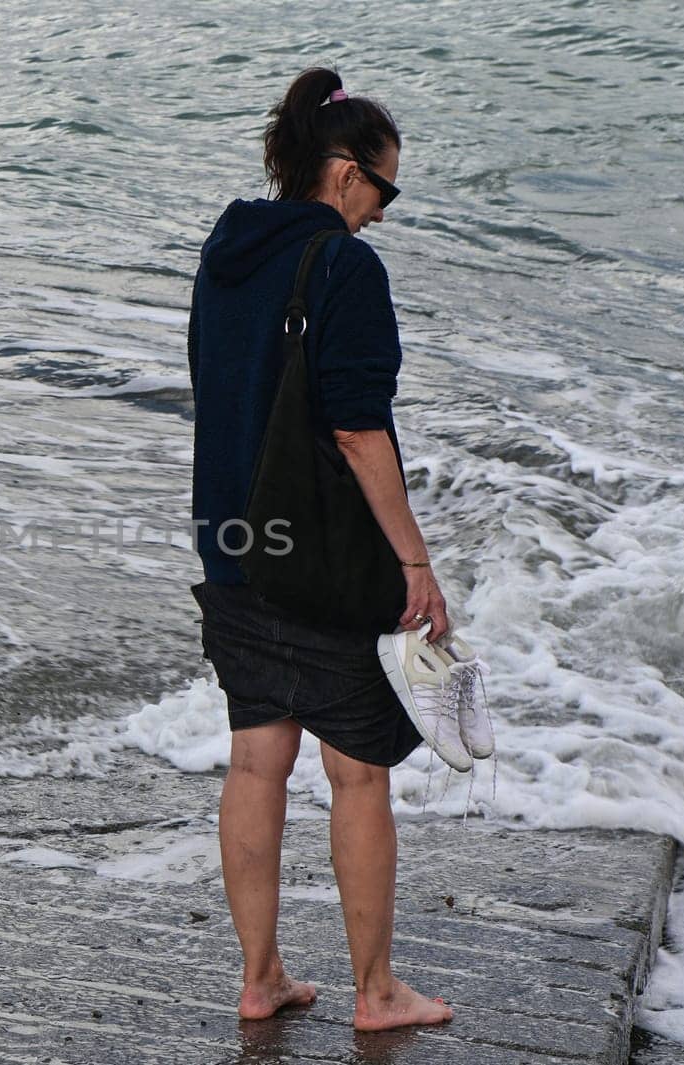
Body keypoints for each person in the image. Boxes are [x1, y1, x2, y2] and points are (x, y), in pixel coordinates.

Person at [186, 66, 454, 1029]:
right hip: (315, 556)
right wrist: (416, 562)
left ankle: (262, 978)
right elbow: (356, 428)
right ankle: (377, 992)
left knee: (257, 759)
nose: (383, 212)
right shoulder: (345, 267)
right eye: (385, 189)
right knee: (357, 772)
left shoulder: (227, 250)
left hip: (230, 539)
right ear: (344, 174)